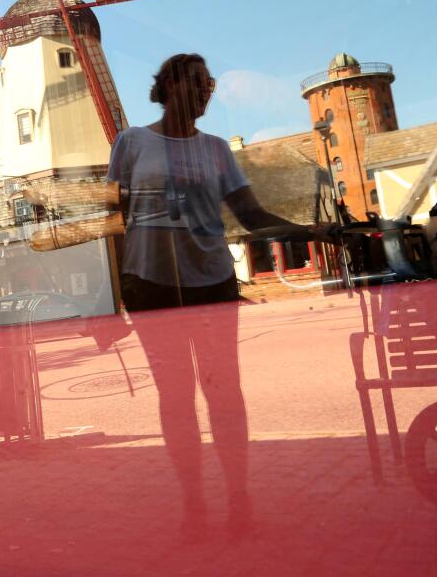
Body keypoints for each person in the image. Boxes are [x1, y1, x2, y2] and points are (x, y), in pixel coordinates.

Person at [105, 53, 324, 539]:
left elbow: (250, 214)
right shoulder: (133, 143)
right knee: (176, 396)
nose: (207, 91)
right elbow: (112, 218)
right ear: (169, 85)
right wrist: (120, 285)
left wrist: (310, 230)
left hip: (212, 281)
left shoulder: (217, 149)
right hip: (151, 284)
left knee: (224, 391)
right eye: (198, 82)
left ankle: (239, 496)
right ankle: (194, 503)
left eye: (209, 84)